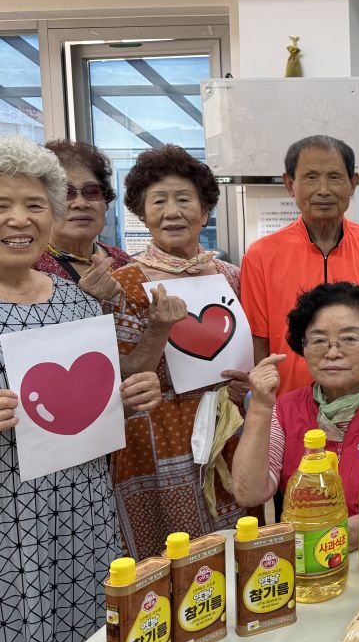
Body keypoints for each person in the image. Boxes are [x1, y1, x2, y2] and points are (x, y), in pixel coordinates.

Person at [0, 135, 162, 642]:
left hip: (81, 517)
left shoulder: (72, 299)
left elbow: (81, 409)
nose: (19, 220)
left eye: (34, 206)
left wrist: (125, 401)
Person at [107, 145, 254, 559]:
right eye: (159, 201)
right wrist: (158, 327)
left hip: (227, 425)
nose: (172, 211)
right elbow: (120, 373)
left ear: (205, 212)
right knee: (165, 559)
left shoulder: (232, 276)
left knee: (234, 542)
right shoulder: (125, 283)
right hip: (155, 434)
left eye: (184, 199)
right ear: (143, 213)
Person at [231, 282, 359, 548]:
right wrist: (259, 408)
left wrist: (318, 540)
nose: (332, 352)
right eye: (318, 340)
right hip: (311, 571)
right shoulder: (285, 408)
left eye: (350, 339)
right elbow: (249, 493)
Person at [241, 135, 359, 396]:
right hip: (291, 404)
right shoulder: (261, 255)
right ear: (290, 184)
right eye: (310, 177)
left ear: (352, 184)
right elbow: (258, 339)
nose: (323, 189)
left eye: (335, 177)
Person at [32, 138, 131, 302]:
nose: (81, 203)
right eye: (65, 193)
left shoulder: (121, 260)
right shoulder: (29, 266)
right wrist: (85, 301)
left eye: (91, 191)